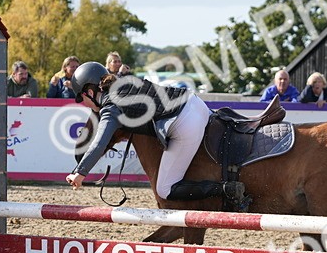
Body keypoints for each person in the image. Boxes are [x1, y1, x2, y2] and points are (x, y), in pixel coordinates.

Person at [65, 61, 247, 208]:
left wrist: (79, 174)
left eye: (83, 99)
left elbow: (98, 144)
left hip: (186, 123)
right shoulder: (127, 82)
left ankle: (225, 189)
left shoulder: (111, 108)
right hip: (195, 103)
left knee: (164, 189)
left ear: (90, 92)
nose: (85, 105)